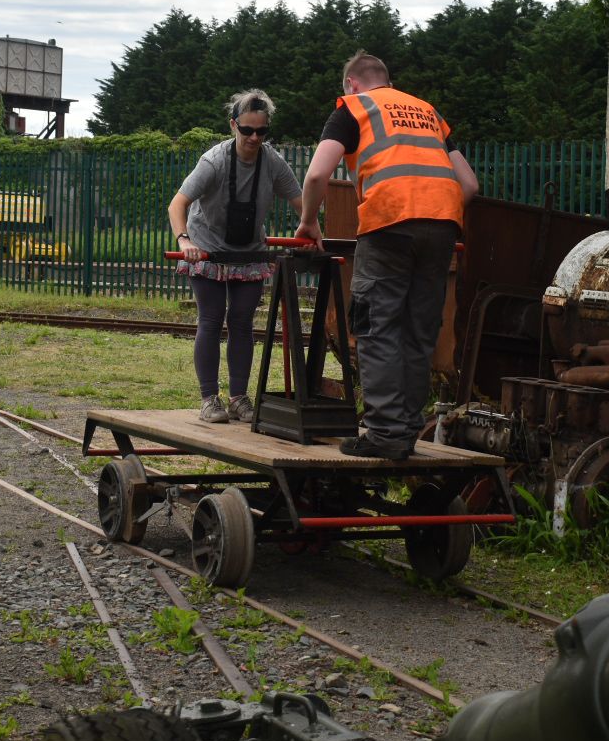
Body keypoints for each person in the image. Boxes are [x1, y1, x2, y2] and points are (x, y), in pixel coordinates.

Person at [295, 50, 478, 460]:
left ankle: (383, 434)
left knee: (377, 326)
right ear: (389, 82)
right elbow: (468, 183)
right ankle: (407, 431)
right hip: (443, 225)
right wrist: (437, 215)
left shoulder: (353, 107)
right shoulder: (427, 111)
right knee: (418, 330)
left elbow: (318, 174)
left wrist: (309, 220)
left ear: (351, 84)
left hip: (389, 222)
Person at [169, 89, 304, 424]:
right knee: (212, 319)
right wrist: (184, 240)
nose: (254, 138)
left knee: (243, 321)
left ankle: (239, 398)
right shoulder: (214, 160)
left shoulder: (272, 161)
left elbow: (301, 201)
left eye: (261, 131)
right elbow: (178, 204)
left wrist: (310, 226)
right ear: (233, 126)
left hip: (249, 251)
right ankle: (208, 399)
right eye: (247, 130)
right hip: (207, 247)